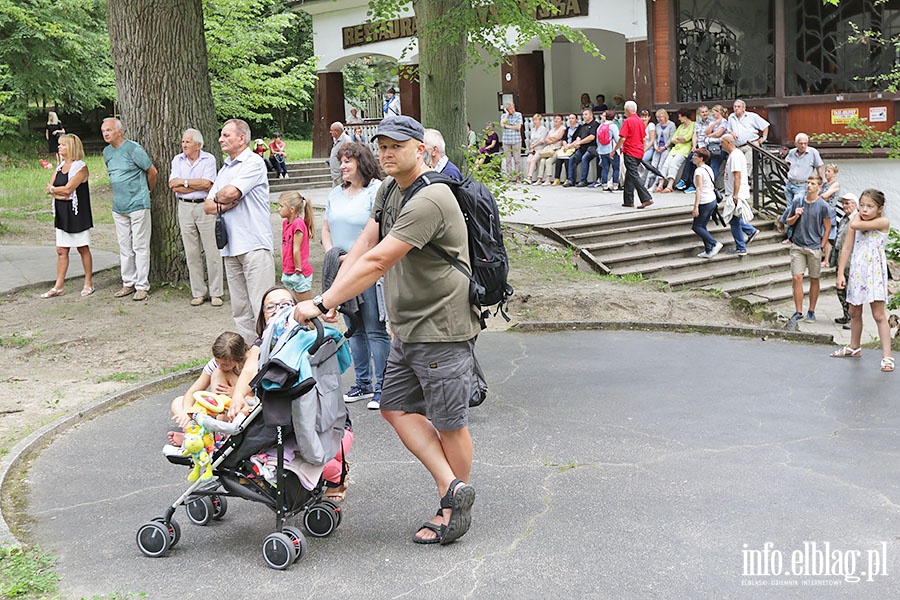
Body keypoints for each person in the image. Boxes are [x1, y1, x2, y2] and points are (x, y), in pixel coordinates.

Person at [293, 116, 478, 546]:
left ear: (422, 149)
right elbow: (364, 245)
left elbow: (380, 261)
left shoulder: (430, 199)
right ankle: (453, 486)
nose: (388, 152)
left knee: (448, 422)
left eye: (397, 144)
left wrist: (321, 304)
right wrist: (334, 292)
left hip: (441, 328)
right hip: (409, 327)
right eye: (382, 145)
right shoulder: (390, 190)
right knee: (395, 407)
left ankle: (451, 508)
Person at [229, 286, 355, 497]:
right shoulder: (261, 345)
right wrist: (238, 397)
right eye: (271, 306)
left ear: (298, 309)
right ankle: (329, 469)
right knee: (284, 455)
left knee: (316, 460)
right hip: (292, 430)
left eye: (286, 305)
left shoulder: (312, 339)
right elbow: (250, 368)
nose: (279, 310)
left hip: (330, 427)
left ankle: (337, 477)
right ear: (263, 316)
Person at [322, 142, 389, 410]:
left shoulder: (376, 190)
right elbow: (326, 228)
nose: (342, 166)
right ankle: (363, 382)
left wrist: (354, 258)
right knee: (354, 329)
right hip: (342, 270)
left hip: (368, 268)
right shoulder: (334, 194)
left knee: (375, 328)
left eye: (347, 161)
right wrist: (332, 255)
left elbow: (378, 231)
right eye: (341, 161)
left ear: (361, 162)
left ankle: (384, 386)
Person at [204, 118, 275, 344]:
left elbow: (231, 193)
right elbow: (207, 206)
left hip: (254, 243)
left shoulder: (254, 162)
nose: (220, 139)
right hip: (230, 246)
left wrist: (225, 198)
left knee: (262, 306)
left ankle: (269, 358)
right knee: (240, 309)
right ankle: (248, 358)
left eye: (226, 135)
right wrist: (224, 200)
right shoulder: (225, 167)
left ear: (242, 138)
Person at [831, 188, 893, 373]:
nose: (865, 210)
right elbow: (847, 248)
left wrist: (855, 214)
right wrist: (840, 273)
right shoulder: (855, 222)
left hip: (874, 273)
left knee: (878, 314)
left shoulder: (882, 222)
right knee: (854, 311)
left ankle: (887, 356)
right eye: (863, 205)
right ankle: (854, 346)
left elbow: (856, 225)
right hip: (858, 271)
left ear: (880, 208)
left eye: (870, 206)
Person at [101, 117, 158, 301]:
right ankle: (128, 283)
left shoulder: (134, 148)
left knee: (140, 246)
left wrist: (147, 191)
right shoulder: (107, 152)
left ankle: (142, 286)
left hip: (138, 204)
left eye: (109, 130)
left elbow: (152, 171)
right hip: (119, 206)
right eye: (103, 131)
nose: (106, 134)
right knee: (124, 246)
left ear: (119, 131)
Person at [169, 128, 222, 307]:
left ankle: (216, 292)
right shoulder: (177, 160)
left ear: (198, 145)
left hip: (205, 206)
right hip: (184, 207)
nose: (184, 145)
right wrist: (193, 184)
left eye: (187, 142)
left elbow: (208, 185)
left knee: (211, 250)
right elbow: (173, 186)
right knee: (191, 252)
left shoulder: (209, 159)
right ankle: (198, 292)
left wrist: (183, 182)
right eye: (183, 141)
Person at [40, 134, 94, 299]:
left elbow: (68, 190)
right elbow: (51, 188)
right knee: (61, 250)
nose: (59, 147)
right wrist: (57, 192)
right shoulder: (59, 167)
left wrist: (57, 191)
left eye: (62, 145)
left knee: (82, 247)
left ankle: (88, 283)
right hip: (62, 212)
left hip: (77, 213)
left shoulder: (80, 167)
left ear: (71, 147)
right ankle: (59, 286)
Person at [170, 331, 248, 432]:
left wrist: (237, 393)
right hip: (216, 409)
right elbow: (192, 392)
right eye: (217, 362)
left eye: (225, 364)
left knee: (218, 373)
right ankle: (193, 431)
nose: (219, 366)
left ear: (238, 360)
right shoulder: (216, 364)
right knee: (178, 402)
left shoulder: (250, 365)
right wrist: (187, 411)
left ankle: (215, 432)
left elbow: (257, 399)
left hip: (238, 410)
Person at [784, 175, 831, 331]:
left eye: (812, 184)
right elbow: (788, 221)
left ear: (819, 187)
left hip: (814, 247)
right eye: (808, 183)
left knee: (814, 279)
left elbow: (827, 228)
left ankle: (811, 310)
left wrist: (822, 245)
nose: (809, 186)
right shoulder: (798, 201)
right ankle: (798, 311)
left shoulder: (823, 206)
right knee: (797, 277)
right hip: (798, 245)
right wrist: (796, 215)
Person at [720, 134, 758, 255]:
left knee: (733, 219)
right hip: (734, 191)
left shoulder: (735, 156)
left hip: (736, 192)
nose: (720, 144)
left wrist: (735, 195)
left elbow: (737, 176)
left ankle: (741, 246)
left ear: (729, 143)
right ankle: (749, 232)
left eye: (722, 142)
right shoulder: (734, 155)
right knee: (734, 218)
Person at [779, 133, 824, 233]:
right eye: (801, 143)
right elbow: (787, 162)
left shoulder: (813, 152)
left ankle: (782, 221)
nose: (803, 145)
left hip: (802, 185)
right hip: (790, 183)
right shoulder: (792, 152)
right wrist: (790, 171)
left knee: (793, 207)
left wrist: (820, 185)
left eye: (805, 143)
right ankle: (789, 232)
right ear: (795, 144)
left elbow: (819, 168)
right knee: (790, 208)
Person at [613, 101, 654, 209]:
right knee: (629, 176)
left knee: (633, 175)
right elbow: (644, 138)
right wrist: (642, 149)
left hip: (630, 151)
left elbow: (622, 138)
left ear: (627, 110)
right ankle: (628, 200)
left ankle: (646, 198)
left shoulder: (628, 121)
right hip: (638, 152)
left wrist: (614, 150)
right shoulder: (641, 121)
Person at [278, 191, 315, 301]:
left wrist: (298, 269)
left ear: (292, 209)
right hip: (288, 271)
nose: (279, 209)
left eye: (281, 206)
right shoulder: (285, 223)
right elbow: (284, 245)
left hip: (299, 272)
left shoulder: (298, 224)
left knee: (304, 307)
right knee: (292, 307)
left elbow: (296, 249)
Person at [829, 192, 858, 329]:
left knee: (851, 291)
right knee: (841, 290)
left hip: (852, 259)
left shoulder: (857, 219)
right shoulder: (845, 219)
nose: (845, 206)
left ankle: (853, 319)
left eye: (848, 203)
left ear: (855, 204)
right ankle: (846, 315)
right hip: (841, 257)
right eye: (844, 203)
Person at [689, 148, 723, 259]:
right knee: (702, 226)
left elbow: (699, 189)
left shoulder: (698, 171)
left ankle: (714, 243)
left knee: (697, 226)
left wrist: (696, 206)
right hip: (712, 199)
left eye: (695, 156)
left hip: (704, 201)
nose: (693, 157)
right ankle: (708, 249)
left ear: (701, 158)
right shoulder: (708, 168)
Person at [726, 99, 770, 181]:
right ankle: (740, 181)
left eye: (738, 107)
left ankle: (744, 180)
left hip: (751, 144)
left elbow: (765, 126)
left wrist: (763, 138)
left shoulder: (752, 116)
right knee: (736, 164)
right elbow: (728, 129)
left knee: (748, 163)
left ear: (744, 108)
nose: (736, 108)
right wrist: (731, 132)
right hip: (737, 145)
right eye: (735, 106)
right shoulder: (731, 117)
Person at [656, 108, 694, 193]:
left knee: (674, 164)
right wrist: (681, 139)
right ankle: (660, 185)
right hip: (675, 149)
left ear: (685, 117)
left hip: (685, 149)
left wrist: (680, 138)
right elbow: (673, 139)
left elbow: (687, 137)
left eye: (680, 117)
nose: (679, 119)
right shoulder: (680, 126)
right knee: (666, 164)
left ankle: (670, 186)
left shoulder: (692, 125)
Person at [676, 105, 713, 192]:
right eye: (703, 112)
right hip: (698, 145)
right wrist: (693, 146)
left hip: (707, 146)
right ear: (699, 114)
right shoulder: (697, 123)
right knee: (691, 158)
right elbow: (695, 135)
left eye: (706, 111)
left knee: (696, 160)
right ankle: (684, 181)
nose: (705, 114)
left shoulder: (712, 122)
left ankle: (692, 185)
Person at [564, 108, 600, 188]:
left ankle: (583, 180)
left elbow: (592, 137)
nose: (584, 116)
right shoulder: (583, 126)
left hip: (591, 148)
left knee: (584, 158)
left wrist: (580, 142)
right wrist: (576, 143)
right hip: (582, 148)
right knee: (572, 158)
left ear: (591, 115)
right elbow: (579, 136)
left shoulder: (595, 124)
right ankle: (571, 180)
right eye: (583, 114)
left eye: (586, 114)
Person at [589, 110, 620, 191]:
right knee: (616, 168)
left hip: (602, 151)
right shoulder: (613, 126)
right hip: (612, 150)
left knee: (605, 168)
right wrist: (620, 148)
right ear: (613, 117)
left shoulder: (600, 127)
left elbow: (597, 140)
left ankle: (604, 185)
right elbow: (617, 139)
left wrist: (599, 150)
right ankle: (615, 185)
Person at [645, 109, 675, 190]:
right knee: (653, 165)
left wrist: (665, 146)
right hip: (657, 148)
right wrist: (655, 146)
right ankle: (646, 184)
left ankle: (656, 184)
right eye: (657, 117)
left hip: (666, 148)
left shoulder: (671, 125)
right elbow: (654, 138)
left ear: (665, 116)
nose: (659, 119)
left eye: (660, 117)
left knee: (661, 165)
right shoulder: (657, 126)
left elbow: (671, 138)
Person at [550, 113, 580, 186]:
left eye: (572, 118)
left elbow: (578, 139)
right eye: (569, 118)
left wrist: (569, 146)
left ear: (576, 119)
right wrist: (565, 146)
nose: (571, 120)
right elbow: (564, 139)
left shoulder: (580, 128)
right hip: (566, 147)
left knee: (567, 160)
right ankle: (557, 178)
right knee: (559, 160)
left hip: (574, 147)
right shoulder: (567, 129)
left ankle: (568, 178)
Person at [535, 114, 565, 185]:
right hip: (549, 149)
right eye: (555, 119)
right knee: (542, 161)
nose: (556, 120)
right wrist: (553, 139)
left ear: (561, 121)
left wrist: (552, 139)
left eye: (558, 119)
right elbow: (546, 140)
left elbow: (559, 137)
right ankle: (540, 179)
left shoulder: (563, 128)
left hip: (556, 149)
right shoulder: (552, 130)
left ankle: (548, 179)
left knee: (548, 161)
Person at [703, 104, 728, 180]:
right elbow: (706, 132)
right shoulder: (713, 122)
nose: (712, 114)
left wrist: (709, 136)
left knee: (714, 166)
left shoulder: (724, 121)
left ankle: (711, 184)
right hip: (710, 146)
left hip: (719, 147)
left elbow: (718, 133)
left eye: (714, 112)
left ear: (718, 112)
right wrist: (714, 124)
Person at [500, 102, 523, 180]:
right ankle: (508, 177)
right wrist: (506, 114)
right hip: (506, 140)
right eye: (510, 109)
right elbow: (502, 125)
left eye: (513, 108)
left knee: (517, 159)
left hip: (516, 140)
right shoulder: (503, 116)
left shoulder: (518, 115)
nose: (513, 110)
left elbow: (518, 127)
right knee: (508, 160)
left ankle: (517, 176)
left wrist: (507, 126)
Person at [523, 114, 549, 184]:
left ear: (540, 120)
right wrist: (531, 146)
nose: (535, 121)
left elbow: (542, 140)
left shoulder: (543, 129)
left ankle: (529, 177)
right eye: (534, 120)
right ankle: (529, 175)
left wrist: (534, 145)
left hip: (540, 148)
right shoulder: (533, 129)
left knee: (533, 160)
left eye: (537, 120)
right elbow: (531, 140)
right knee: (528, 160)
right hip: (533, 149)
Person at [328, 122, 352, 187]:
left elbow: (349, 157)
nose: (330, 132)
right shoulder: (336, 140)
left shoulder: (346, 140)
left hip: (341, 175)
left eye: (331, 130)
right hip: (335, 174)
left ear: (337, 131)